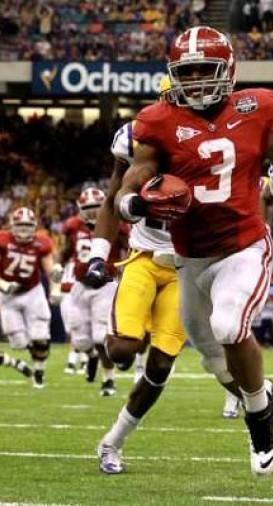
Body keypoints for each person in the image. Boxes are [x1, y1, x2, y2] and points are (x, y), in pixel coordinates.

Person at [114, 26, 273, 475]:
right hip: (191, 257)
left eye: (207, 69)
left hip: (244, 245)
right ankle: (259, 392)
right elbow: (133, 179)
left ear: (228, 69)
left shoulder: (258, 107)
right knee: (211, 356)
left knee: (229, 324)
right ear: (174, 75)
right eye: (189, 72)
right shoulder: (158, 120)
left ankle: (261, 418)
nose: (199, 80)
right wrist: (133, 202)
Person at [88, 83, 242, 474]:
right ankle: (94, 351)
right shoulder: (137, 137)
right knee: (123, 350)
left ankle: (112, 442)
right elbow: (111, 201)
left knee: (159, 367)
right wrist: (98, 255)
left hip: (186, 266)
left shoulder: (221, 139)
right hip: (143, 255)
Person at [0, 207, 61, 388]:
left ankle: (39, 370)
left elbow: (51, 271)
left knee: (40, 334)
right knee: (18, 342)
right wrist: (3, 285)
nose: (24, 229)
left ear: (34, 226)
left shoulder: (42, 242)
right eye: (20, 225)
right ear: (12, 225)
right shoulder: (1, 240)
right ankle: (38, 353)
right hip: (8, 294)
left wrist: (55, 290)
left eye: (27, 225)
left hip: (32, 291)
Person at [61, 188, 128, 396]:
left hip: (105, 285)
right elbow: (65, 250)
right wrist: (57, 265)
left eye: (96, 208)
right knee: (80, 340)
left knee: (101, 336)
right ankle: (90, 356)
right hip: (80, 285)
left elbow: (128, 252)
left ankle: (108, 380)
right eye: (88, 208)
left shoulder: (118, 225)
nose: (92, 213)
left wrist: (125, 277)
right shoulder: (72, 226)